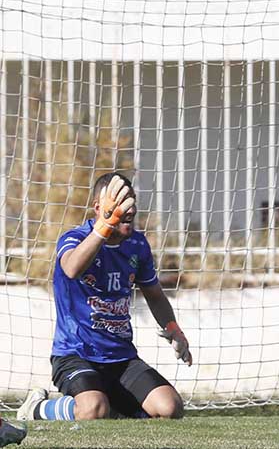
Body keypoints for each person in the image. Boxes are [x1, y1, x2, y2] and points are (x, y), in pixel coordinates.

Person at [18, 173, 193, 421]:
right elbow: (71, 268)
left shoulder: (137, 245)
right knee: (93, 409)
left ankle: (111, 406)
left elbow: (154, 295)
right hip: (75, 355)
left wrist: (174, 329)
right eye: (119, 202)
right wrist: (105, 226)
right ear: (99, 208)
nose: (129, 209)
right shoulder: (75, 238)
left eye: (131, 201)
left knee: (170, 407)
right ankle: (37, 408)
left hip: (121, 358)